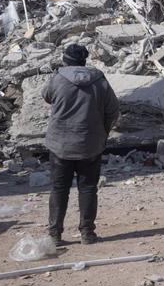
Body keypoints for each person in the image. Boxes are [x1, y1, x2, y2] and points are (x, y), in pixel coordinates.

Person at [42, 43, 119, 245]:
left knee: (59, 189)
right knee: (88, 188)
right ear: (84, 61)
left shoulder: (58, 78)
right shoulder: (100, 80)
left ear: (65, 60)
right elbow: (113, 110)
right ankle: (87, 233)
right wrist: (102, 132)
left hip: (60, 144)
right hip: (90, 144)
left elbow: (47, 96)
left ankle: (55, 234)